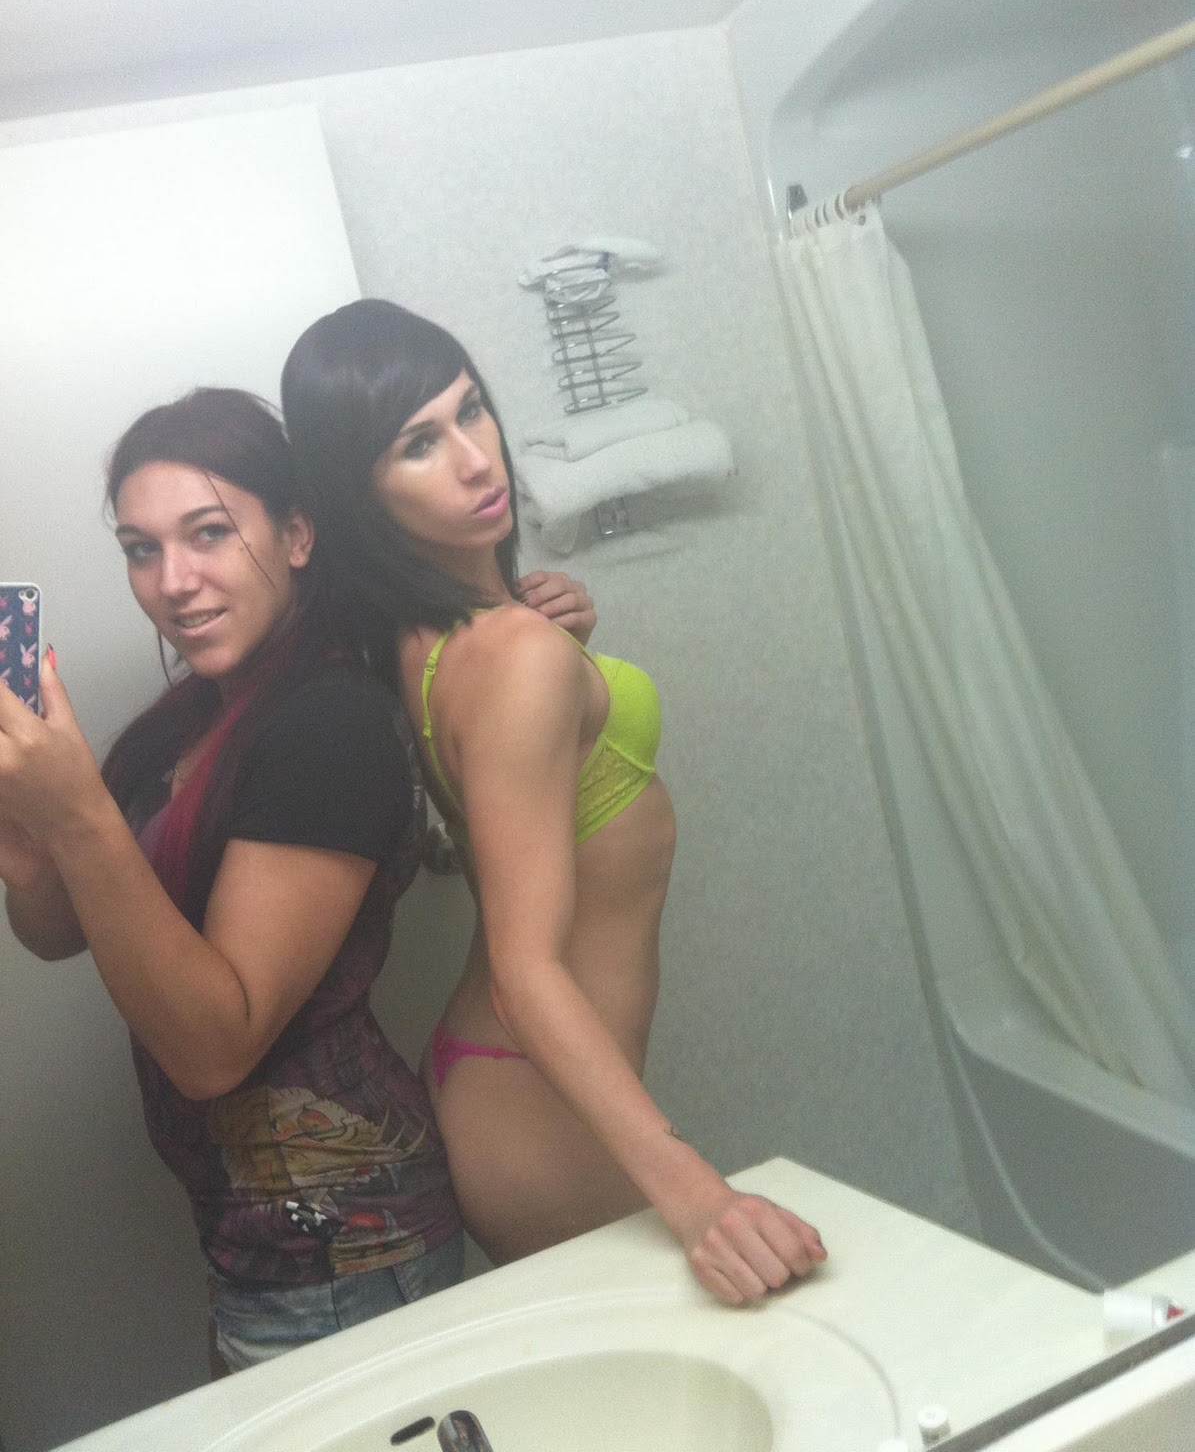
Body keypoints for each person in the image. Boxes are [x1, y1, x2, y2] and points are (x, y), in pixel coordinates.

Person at [281, 299, 828, 1305]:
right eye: (417, 444)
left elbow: (517, 757)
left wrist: (568, 654)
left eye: (470, 410)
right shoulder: (513, 656)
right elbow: (526, 974)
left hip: (502, 1085)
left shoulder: (430, 636)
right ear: (358, 494)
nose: (475, 459)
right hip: (528, 1102)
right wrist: (701, 1197)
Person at [0, 388, 470, 1375]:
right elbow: (59, 932)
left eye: (209, 532)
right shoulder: (194, 719)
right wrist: (30, 844)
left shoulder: (329, 723)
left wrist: (79, 813)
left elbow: (214, 1048)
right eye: (141, 548)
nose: (174, 581)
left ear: (297, 535)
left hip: (348, 1245)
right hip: (253, 1240)